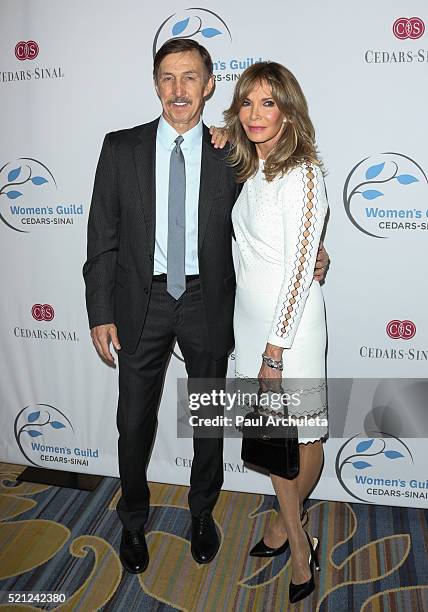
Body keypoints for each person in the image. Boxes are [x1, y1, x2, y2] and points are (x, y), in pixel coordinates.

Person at [83, 39, 329, 575]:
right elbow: (102, 232)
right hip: (139, 302)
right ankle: (132, 521)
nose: (178, 89)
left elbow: (279, 206)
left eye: (190, 77)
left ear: (209, 84)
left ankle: (201, 512)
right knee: (133, 422)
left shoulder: (232, 154)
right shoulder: (120, 148)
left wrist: (318, 250)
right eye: (168, 77)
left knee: (209, 419)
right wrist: (100, 310)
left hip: (208, 302)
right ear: (155, 83)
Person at [222, 62, 328, 604]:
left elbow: (298, 270)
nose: (257, 114)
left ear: (289, 109)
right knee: (272, 438)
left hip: (290, 331)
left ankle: (297, 540)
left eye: (270, 103)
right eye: (248, 103)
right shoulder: (252, 168)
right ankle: (291, 522)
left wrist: (274, 352)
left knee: (301, 437)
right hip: (249, 323)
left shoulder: (303, 172)